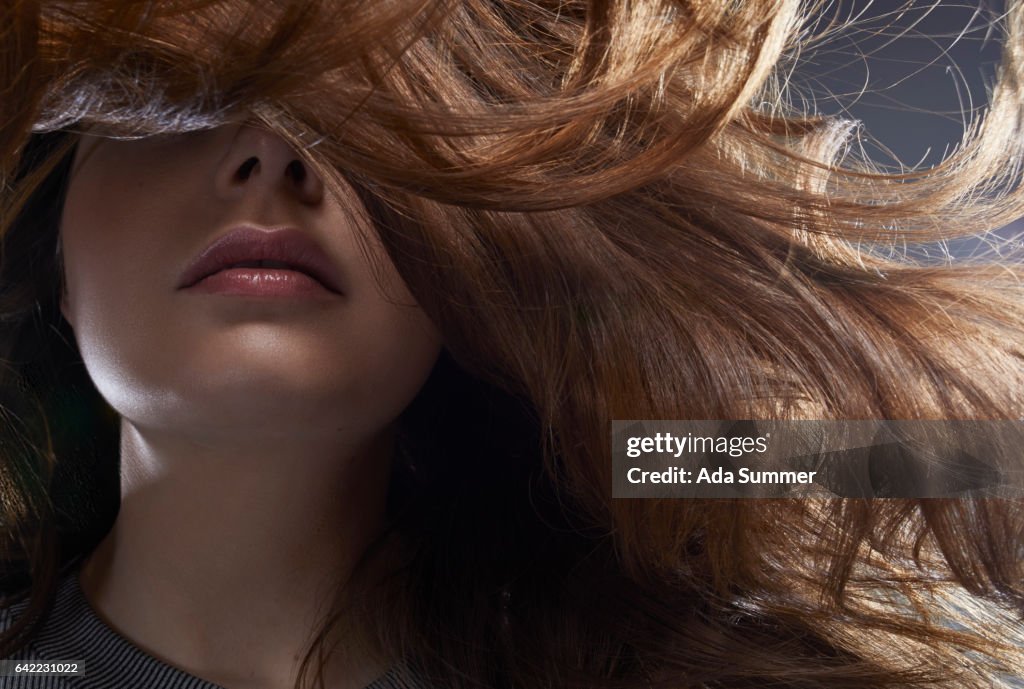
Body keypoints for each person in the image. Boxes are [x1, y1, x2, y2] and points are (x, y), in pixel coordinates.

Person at [1, 1, 1023, 688]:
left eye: (365, 125)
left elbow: (961, 458)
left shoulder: (638, 497)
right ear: (43, 261)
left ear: (476, 258)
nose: (271, 157)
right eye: (169, 111)